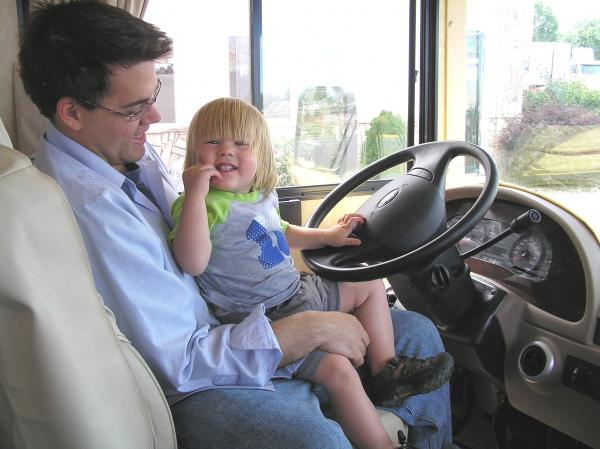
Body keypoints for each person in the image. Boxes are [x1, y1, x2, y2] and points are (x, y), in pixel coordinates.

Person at [19, 2, 456, 448]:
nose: (152, 118)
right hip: (201, 383)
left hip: (249, 320)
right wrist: (303, 330)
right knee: (314, 440)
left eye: (152, 98)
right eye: (135, 109)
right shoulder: (88, 215)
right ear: (72, 113)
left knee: (418, 332)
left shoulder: (127, 152)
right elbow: (177, 363)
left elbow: (232, 232)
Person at [169, 98, 453, 449]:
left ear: (259, 155)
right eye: (213, 142)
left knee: (365, 279)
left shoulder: (259, 197)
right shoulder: (200, 203)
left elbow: (283, 232)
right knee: (339, 371)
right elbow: (193, 261)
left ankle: (385, 371)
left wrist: (327, 236)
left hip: (297, 292)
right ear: (195, 152)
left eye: (240, 143)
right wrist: (196, 194)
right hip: (266, 318)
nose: (226, 150)